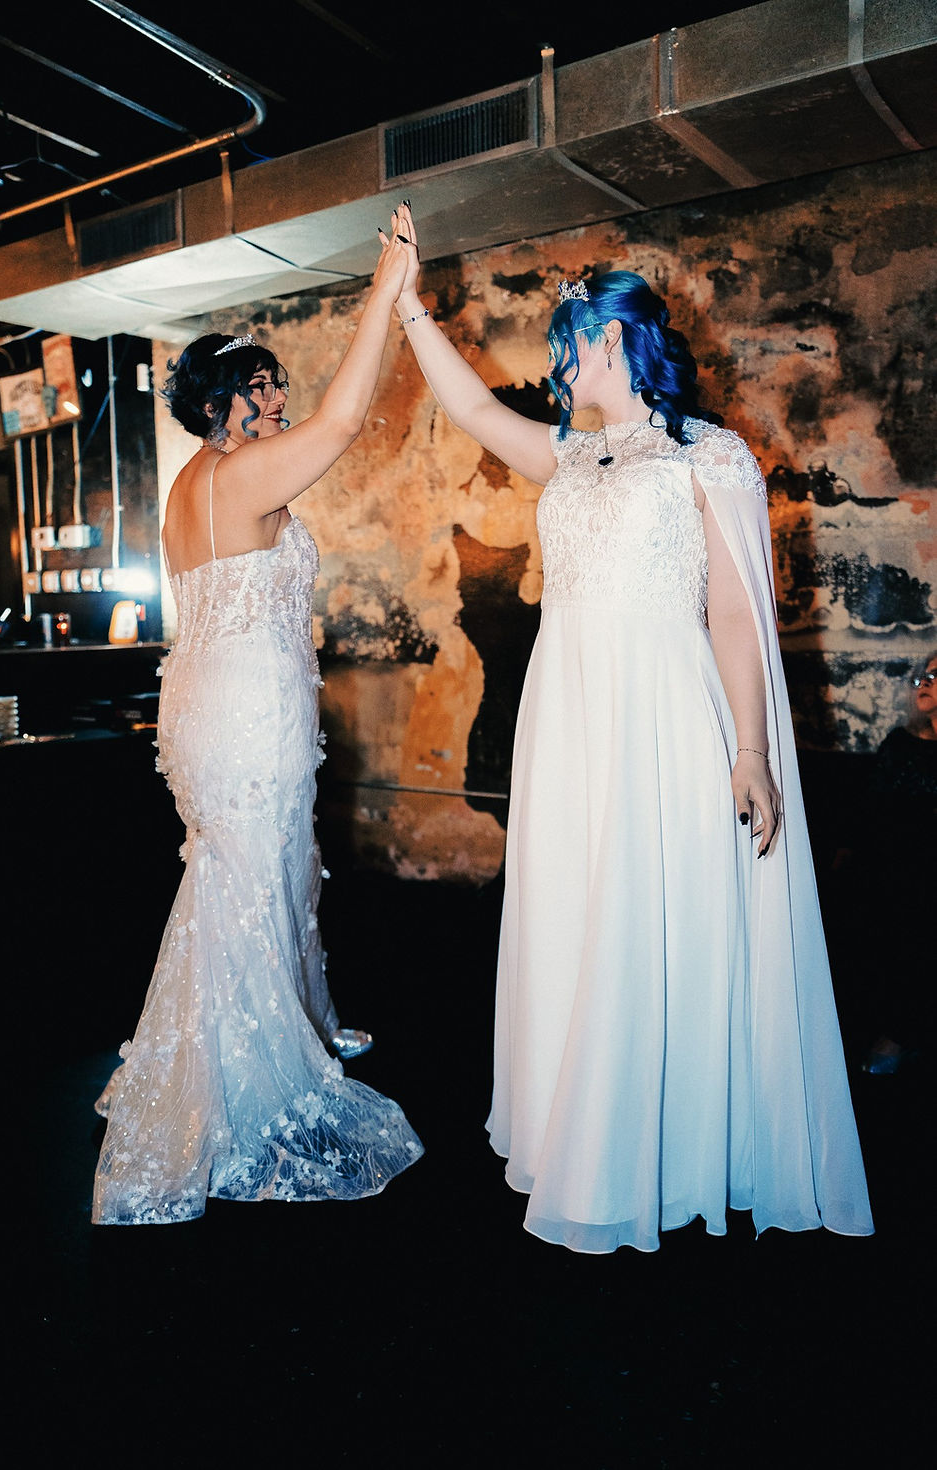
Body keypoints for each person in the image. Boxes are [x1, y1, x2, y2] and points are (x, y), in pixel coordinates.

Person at [392, 204, 873, 1252]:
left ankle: (664, 1149)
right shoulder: (566, 456)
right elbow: (468, 406)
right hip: (567, 719)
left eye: (563, 347)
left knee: (653, 912)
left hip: (662, 711)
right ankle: (588, 1135)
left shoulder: (710, 457)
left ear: (607, 338)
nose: (555, 368)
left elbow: (736, 614)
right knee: (579, 913)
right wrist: (406, 303)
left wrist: (750, 751)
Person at [92, 210, 423, 1225]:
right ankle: (246, 1084)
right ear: (219, 406)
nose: (278, 400)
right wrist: (384, 293)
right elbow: (344, 422)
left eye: (278, 383)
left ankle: (248, 1038)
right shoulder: (239, 473)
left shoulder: (189, 487)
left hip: (204, 704)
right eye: (260, 388)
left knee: (237, 875)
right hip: (246, 713)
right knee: (251, 875)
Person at [859, 650, 936, 1075]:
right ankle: (898, 1034)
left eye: (936, 677)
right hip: (902, 871)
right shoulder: (900, 743)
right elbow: (873, 812)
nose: (923, 683)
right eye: (922, 677)